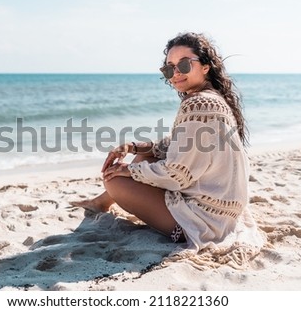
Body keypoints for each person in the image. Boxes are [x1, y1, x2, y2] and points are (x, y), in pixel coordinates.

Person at [71, 32, 264, 264]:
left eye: (184, 64)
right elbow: (173, 145)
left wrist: (128, 171)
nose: (176, 73)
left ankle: (175, 229)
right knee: (144, 155)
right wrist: (132, 147)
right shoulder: (212, 97)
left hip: (205, 221)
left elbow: (178, 174)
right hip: (224, 210)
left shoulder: (199, 104)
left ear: (205, 66)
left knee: (114, 179)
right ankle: (102, 202)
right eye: (169, 68)